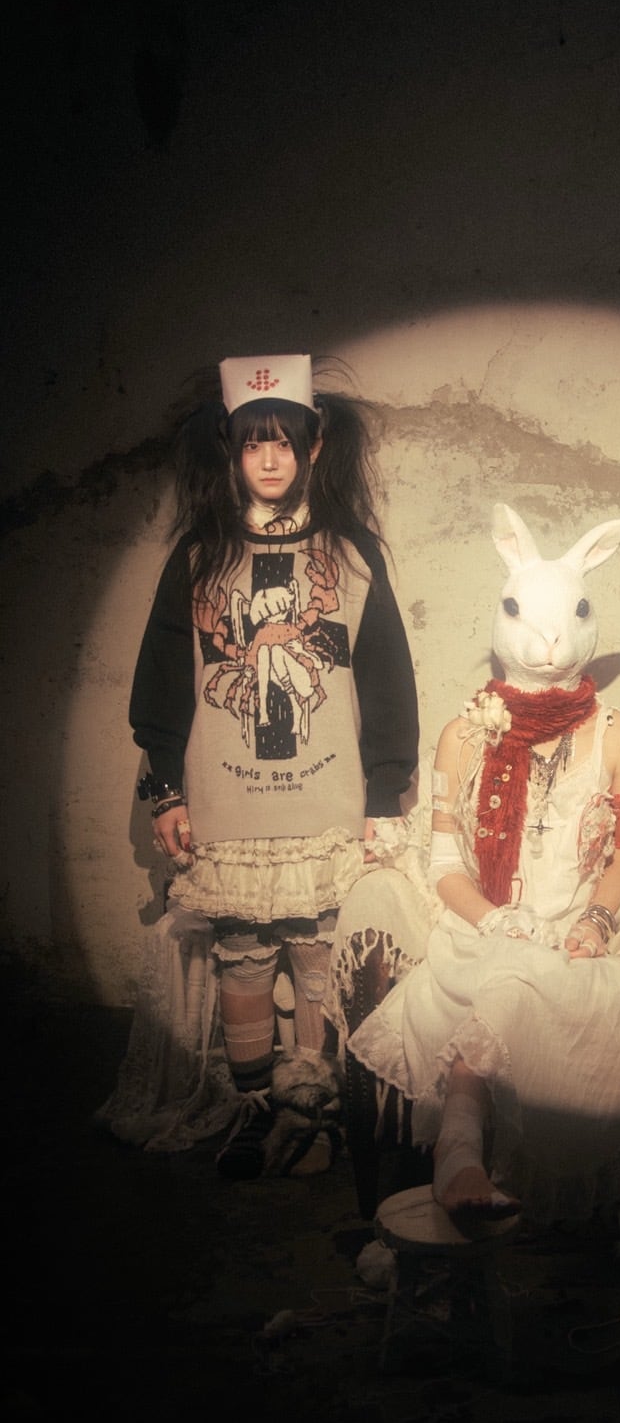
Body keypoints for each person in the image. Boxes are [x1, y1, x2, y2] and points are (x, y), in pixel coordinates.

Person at [108, 353, 420, 1177]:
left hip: (327, 798)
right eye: (254, 443)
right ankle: (253, 1110)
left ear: (314, 447)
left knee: (319, 952)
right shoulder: (198, 557)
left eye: (285, 442)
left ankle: (311, 1108)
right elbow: (161, 685)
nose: (270, 459)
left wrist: (384, 793)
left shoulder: (351, 555)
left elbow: (387, 680)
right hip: (228, 799)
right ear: (230, 450)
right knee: (243, 952)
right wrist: (166, 790)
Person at [343, 504, 620, 1228]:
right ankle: (459, 1155)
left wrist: (594, 922)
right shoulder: (463, 734)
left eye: (569, 616)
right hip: (480, 935)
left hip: (572, 945)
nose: (548, 642)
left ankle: (462, 1155)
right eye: (526, 615)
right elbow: (443, 864)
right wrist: (497, 921)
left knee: (523, 983)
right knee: (504, 975)